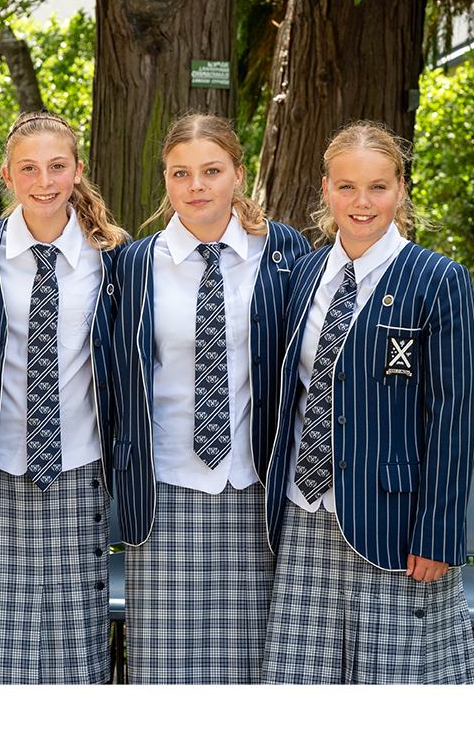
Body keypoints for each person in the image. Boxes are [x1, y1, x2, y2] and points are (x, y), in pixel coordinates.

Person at [262, 121, 474, 684]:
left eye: (378, 187)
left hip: (396, 525)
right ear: (326, 189)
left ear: (401, 188)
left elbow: (453, 414)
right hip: (304, 514)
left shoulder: (439, 280)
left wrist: (439, 531)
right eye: (347, 186)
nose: (362, 202)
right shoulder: (304, 274)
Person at [111, 113, 310, 683]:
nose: (196, 186)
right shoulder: (135, 262)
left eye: (212, 171)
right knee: (167, 668)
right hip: (165, 488)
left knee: (250, 669)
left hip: (255, 488)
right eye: (181, 173)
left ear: (238, 174)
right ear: (165, 180)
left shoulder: (283, 251)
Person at [0, 112, 129, 684]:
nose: (43, 181)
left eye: (56, 166)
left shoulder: (113, 255)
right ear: (6, 175)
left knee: (73, 650)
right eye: (28, 168)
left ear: (77, 170)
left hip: (80, 469)